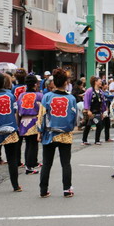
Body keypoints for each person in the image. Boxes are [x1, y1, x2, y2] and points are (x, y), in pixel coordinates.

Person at [37, 68, 77, 197]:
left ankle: (43, 190)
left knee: (46, 163)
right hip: (65, 134)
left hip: (49, 133)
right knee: (65, 163)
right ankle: (66, 189)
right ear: (66, 82)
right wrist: (70, 127)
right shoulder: (71, 98)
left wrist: (39, 131)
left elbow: (41, 115)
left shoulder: (47, 96)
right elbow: (74, 117)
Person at [17, 74, 42, 175]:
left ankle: (29, 164)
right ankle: (30, 166)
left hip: (23, 121)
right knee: (33, 144)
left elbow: (17, 110)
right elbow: (42, 110)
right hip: (34, 120)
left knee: (28, 144)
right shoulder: (39, 95)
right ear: (35, 84)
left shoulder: (21, 95)